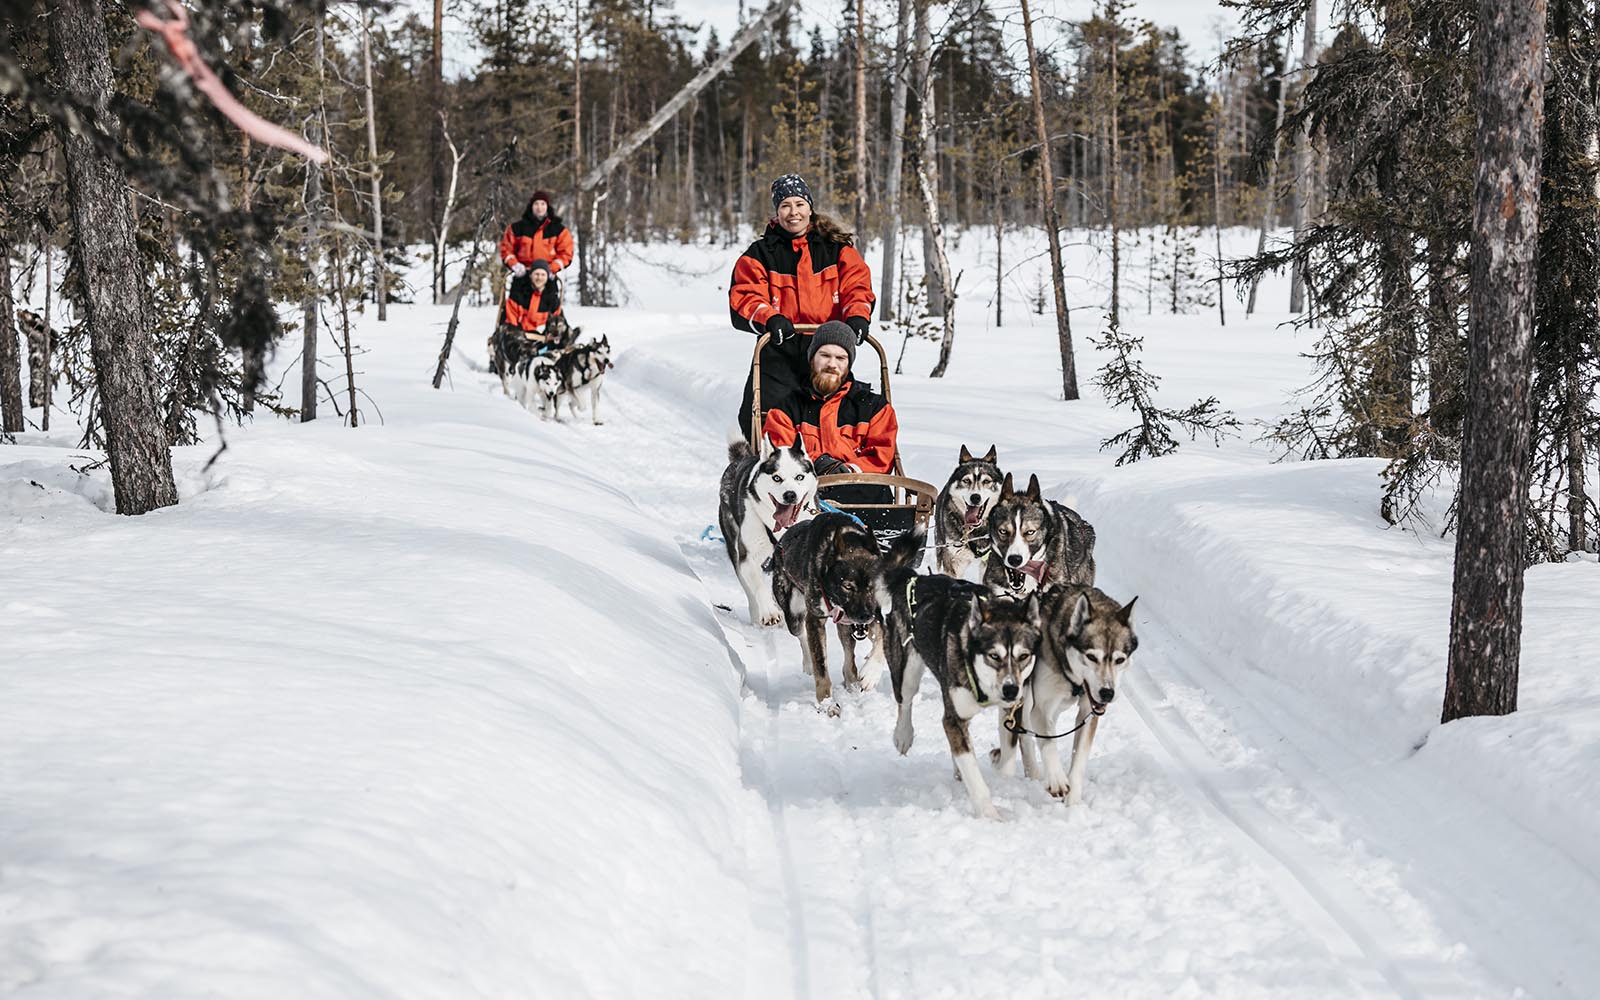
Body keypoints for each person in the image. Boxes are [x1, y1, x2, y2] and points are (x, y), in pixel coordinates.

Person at [730, 174, 875, 438]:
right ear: (777, 211)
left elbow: (857, 287)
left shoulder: (836, 249)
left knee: (833, 415)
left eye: (799, 203)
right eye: (785, 205)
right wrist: (770, 318)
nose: (793, 212)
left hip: (826, 347)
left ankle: (832, 467)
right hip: (780, 349)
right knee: (771, 417)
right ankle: (773, 466)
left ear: (809, 206)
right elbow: (746, 296)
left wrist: (857, 317)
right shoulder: (760, 254)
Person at [762, 321, 898, 478]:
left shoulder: (874, 408)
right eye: (825, 355)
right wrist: (817, 462)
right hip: (804, 490)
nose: (832, 364)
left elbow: (881, 457)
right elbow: (780, 454)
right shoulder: (787, 409)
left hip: (863, 492)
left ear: (849, 364)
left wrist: (849, 471)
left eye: (841, 358)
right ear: (812, 359)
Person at [499, 189, 574, 333]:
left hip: (547, 275)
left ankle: (554, 334)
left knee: (551, 304)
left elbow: (566, 252)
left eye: (542, 204)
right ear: (531, 206)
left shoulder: (558, 229)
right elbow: (506, 249)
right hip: (523, 274)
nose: (539, 207)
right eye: (536, 204)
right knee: (515, 303)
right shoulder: (517, 228)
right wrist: (514, 264)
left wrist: (553, 267)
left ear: (547, 207)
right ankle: (511, 332)